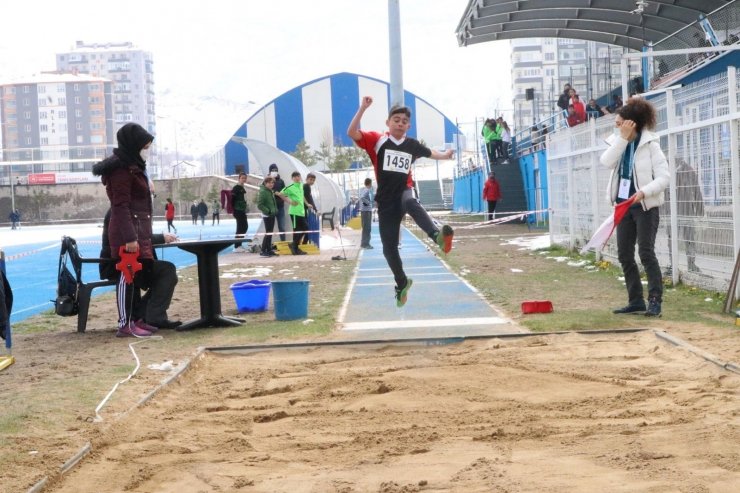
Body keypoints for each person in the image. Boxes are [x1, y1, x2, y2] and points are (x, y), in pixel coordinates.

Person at [348, 96, 455, 307]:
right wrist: (362, 108)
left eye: (404, 121)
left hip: (404, 191)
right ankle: (402, 283)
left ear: (409, 125)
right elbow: (352, 132)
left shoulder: (412, 145)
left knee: (411, 202)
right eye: (396, 119)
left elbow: (430, 152)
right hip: (386, 201)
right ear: (388, 123)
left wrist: (445, 155)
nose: (400, 123)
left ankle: (437, 236)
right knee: (389, 248)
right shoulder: (377, 140)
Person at [600, 98, 670, 317]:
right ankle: (636, 300)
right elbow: (607, 162)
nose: (616, 125)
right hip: (623, 206)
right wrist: (622, 139)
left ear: (632, 123)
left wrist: (644, 192)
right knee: (624, 254)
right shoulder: (618, 141)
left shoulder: (651, 146)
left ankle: (655, 300)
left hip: (644, 206)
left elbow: (664, 177)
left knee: (646, 252)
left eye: (620, 121)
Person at [91, 122, 159, 337]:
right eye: (144, 147)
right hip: (126, 233)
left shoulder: (135, 167)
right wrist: (130, 237)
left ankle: (136, 319)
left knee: (135, 276)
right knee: (126, 275)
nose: (146, 152)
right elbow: (120, 206)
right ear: (133, 145)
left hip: (138, 229)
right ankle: (125, 322)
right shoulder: (121, 170)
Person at [99, 209, 181, 331]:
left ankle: (145, 315)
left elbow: (140, 236)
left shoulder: (133, 211)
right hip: (118, 263)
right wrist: (161, 237)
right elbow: (130, 239)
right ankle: (144, 317)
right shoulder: (120, 212)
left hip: (137, 260)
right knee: (166, 271)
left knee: (167, 270)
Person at [664, 158, 704, 274]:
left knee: (689, 238)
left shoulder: (688, 170)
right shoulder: (664, 170)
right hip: (671, 212)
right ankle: (673, 265)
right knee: (672, 238)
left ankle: (691, 264)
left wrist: (699, 211)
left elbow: (696, 190)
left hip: (686, 211)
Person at [282, 171, 313, 255]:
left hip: (301, 212)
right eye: (295, 177)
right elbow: (281, 194)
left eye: (298, 176)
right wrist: (290, 201)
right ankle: (294, 246)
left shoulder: (300, 186)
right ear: (292, 178)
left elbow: (302, 196)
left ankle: (295, 246)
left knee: (303, 229)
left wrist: (307, 204)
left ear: (300, 177)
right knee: (299, 230)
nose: (297, 178)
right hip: (295, 212)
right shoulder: (290, 187)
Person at [257, 176, 279, 257]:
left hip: (272, 214)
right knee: (268, 233)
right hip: (267, 215)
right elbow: (260, 205)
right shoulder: (263, 191)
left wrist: (275, 210)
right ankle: (263, 250)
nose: (271, 184)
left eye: (272, 183)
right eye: (269, 183)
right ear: (265, 183)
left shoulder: (270, 191)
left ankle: (269, 250)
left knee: (270, 233)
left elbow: (273, 203)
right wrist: (268, 211)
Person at [268, 164, 287, 241]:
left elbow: (285, 192)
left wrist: (282, 194)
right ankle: (268, 245)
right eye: (273, 170)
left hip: (280, 207)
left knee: (282, 227)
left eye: (276, 170)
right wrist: (274, 192)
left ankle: (283, 242)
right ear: (270, 171)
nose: (274, 172)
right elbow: (264, 190)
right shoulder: (266, 181)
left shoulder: (281, 181)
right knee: (269, 228)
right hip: (270, 208)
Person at [232, 172, 249, 252]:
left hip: (242, 210)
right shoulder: (236, 188)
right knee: (240, 227)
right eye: (242, 178)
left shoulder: (242, 187)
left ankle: (239, 245)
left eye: (245, 178)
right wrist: (234, 210)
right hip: (237, 210)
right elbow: (232, 199)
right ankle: (236, 246)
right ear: (239, 178)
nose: (244, 179)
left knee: (244, 226)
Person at [302, 172, 317, 244]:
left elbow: (310, 198)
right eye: (310, 179)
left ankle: (304, 242)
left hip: (304, 209)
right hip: (302, 209)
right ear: (306, 179)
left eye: (313, 180)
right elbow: (309, 199)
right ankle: (304, 242)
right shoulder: (306, 186)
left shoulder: (307, 186)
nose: (312, 181)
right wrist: (315, 209)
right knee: (307, 227)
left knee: (307, 227)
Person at [359, 177, 375, 249]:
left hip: (366, 211)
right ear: (370, 183)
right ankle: (366, 244)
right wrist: (368, 203)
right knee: (367, 228)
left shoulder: (365, 189)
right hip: (366, 211)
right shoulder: (367, 190)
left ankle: (364, 243)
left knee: (366, 227)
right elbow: (362, 197)